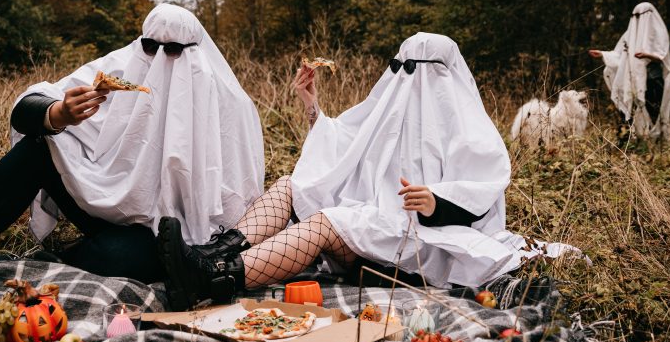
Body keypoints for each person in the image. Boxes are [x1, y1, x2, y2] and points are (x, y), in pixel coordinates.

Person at [0, 3, 265, 306]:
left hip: (167, 238)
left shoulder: (229, 104)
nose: (159, 63)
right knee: (41, 148)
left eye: (173, 52)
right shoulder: (125, 68)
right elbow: (28, 106)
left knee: (117, 259)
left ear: (193, 52)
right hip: (101, 202)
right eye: (152, 48)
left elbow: (236, 203)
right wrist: (58, 113)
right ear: (141, 43)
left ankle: (31, 267)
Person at [156, 33, 578, 311]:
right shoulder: (392, 103)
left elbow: (483, 190)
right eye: (403, 67)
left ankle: (213, 279)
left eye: (421, 71)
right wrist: (311, 104)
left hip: (418, 250)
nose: (409, 81)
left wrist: (436, 201)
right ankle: (211, 253)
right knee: (291, 185)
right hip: (371, 230)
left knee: (324, 222)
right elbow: (344, 142)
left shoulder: (469, 126)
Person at [589, 1, 670, 141]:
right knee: (633, 111)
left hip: (653, 79)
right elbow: (620, 54)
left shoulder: (658, 31)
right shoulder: (631, 33)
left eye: (641, 16)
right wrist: (603, 54)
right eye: (636, 16)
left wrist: (647, 55)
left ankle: (656, 144)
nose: (638, 19)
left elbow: (663, 57)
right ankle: (634, 142)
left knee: (654, 112)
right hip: (634, 81)